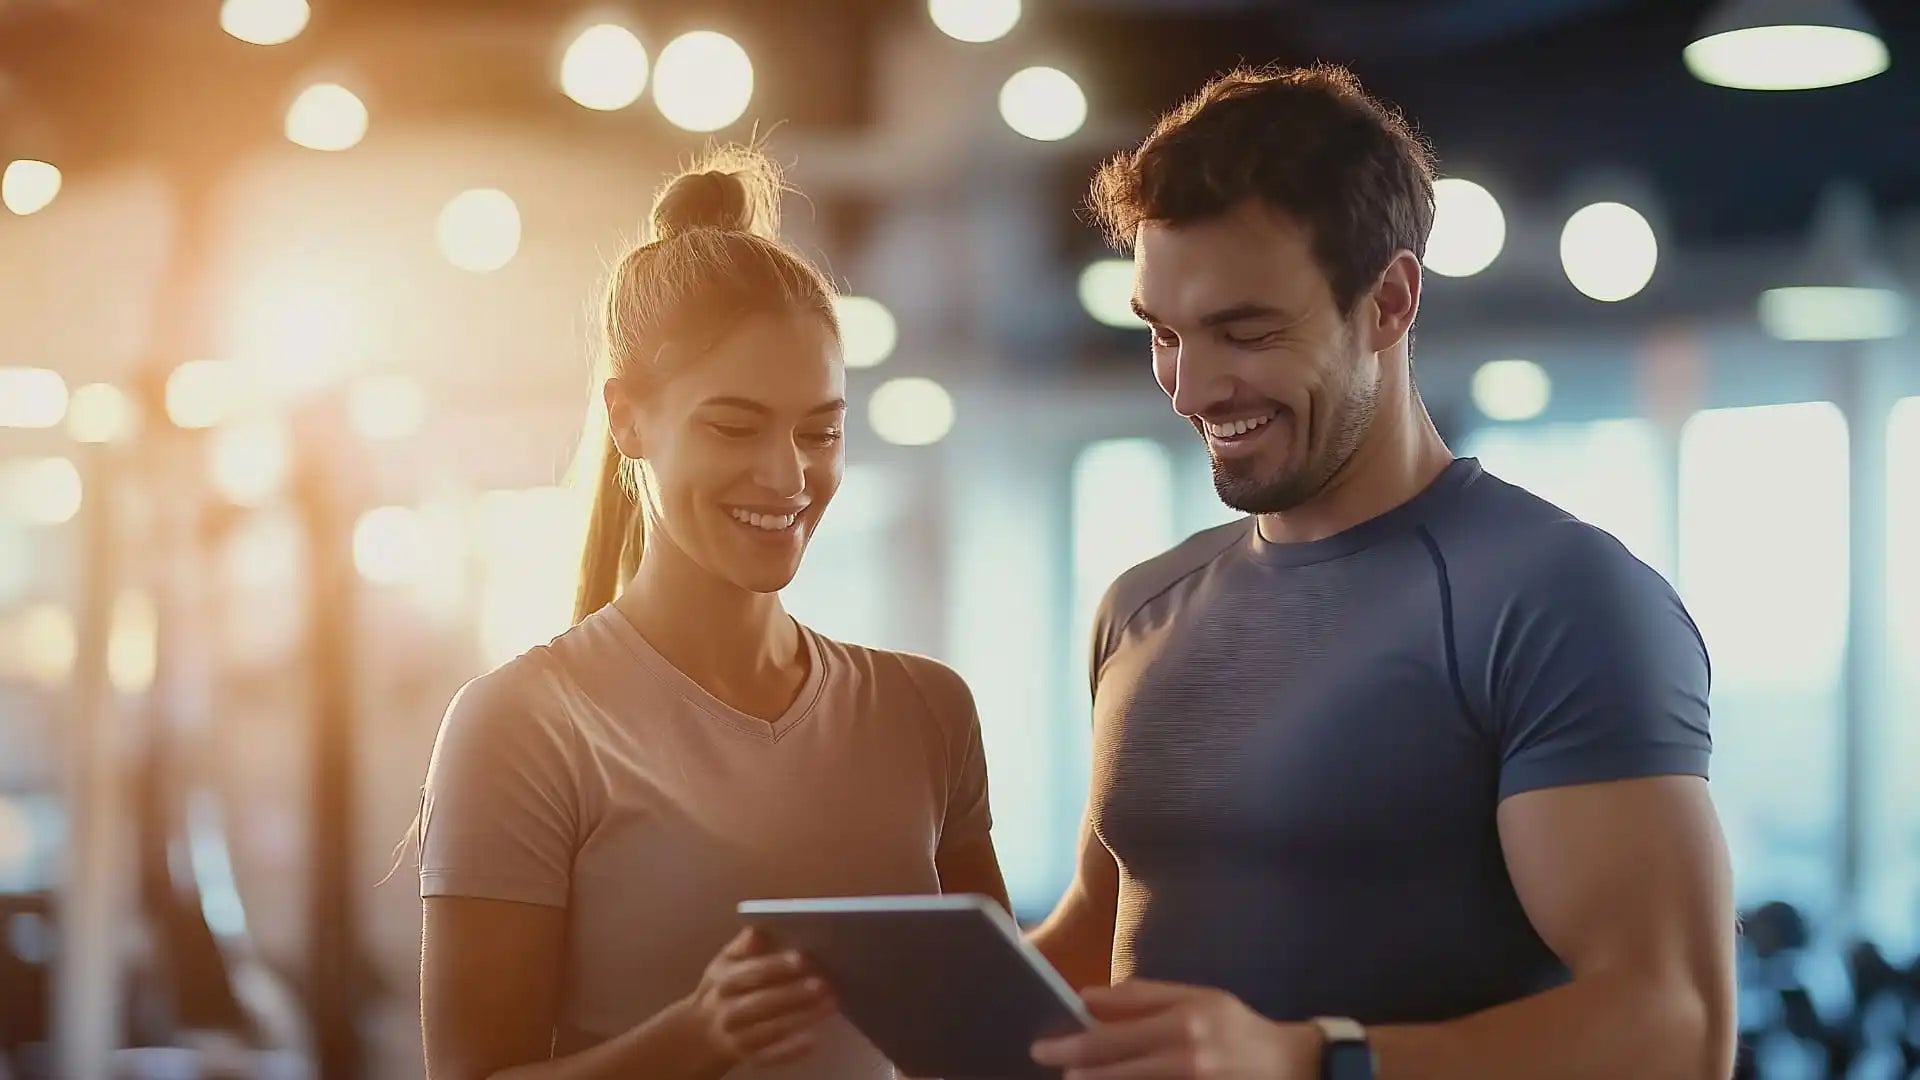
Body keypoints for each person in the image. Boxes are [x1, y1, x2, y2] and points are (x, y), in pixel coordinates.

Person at [1026, 65, 1736, 1080]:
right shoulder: (1141, 607)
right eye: (1164, 334)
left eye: (1247, 330)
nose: (1190, 388)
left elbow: (1675, 1028)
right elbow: (1100, 943)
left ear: (1391, 301)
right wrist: (866, 996)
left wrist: (1317, 1060)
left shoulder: (1560, 601)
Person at [417, 147, 1009, 1080]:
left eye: (821, 430)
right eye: (735, 426)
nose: (787, 476)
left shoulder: (927, 714)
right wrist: (695, 1038)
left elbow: (992, 1052)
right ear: (628, 420)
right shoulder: (523, 723)